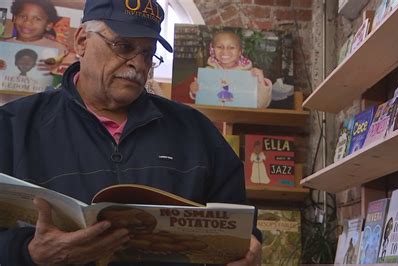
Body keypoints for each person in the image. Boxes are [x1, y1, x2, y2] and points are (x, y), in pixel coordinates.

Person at [0, 0, 262, 265]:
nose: (138, 64)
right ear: (81, 41)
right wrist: (26, 253)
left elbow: (241, 225)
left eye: (148, 53)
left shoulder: (196, 130)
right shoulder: (13, 126)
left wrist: (250, 247)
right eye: (123, 47)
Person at [175, 30, 272, 108]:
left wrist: (261, 82)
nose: (225, 52)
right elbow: (202, 102)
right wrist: (194, 91)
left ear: (240, 52)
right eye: (220, 47)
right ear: (212, 50)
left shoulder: (250, 75)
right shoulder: (208, 72)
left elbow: (262, 106)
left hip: (238, 122)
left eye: (231, 47)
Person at [6, 0, 69, 69]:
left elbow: (67, 73)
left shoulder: (59, 50)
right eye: (22, 16)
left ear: (48, 25)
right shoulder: (3, 46)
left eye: (37, 19)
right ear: (14, 18)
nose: (27, 22)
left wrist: (58, 68)